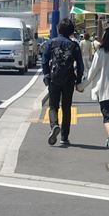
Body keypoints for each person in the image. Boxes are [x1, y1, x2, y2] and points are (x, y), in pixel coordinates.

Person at [41, 18, 84, 146]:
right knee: (66, 108)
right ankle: (64, 137)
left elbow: (44, 61)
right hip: (69, 79)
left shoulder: (51, 43)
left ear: (58, 29)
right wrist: (78, 80)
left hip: (54, 79)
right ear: (71, 31)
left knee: (53, 106)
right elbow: (80, 65)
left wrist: (46, 75)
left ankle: (54, 125)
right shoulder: (74, 45)